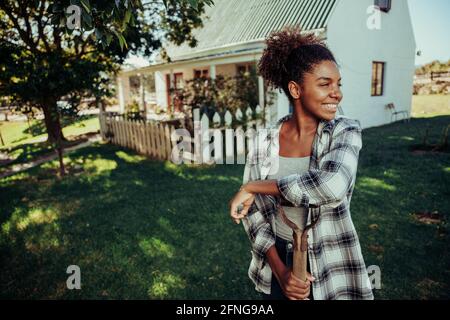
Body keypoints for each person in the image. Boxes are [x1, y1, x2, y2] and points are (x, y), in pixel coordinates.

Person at [229, 26, 374, 300]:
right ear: (296, 89)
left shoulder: (344, 132)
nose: (337, 93)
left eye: (338, 84)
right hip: (275, 260)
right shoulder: (264, 140)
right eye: (325, 84)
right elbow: (253, 214)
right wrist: (280, 270)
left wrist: (253, 186)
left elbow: (331, 186)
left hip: (329, 263)